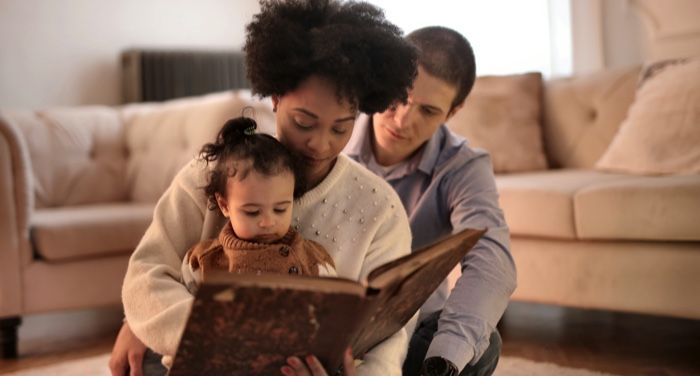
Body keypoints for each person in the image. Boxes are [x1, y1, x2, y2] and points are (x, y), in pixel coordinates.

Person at [108, 1, 418, 375]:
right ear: (275, 99)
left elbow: (388, 329)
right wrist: (211, 338)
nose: (320, 144)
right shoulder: (211, 175)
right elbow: (148, 273)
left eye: (341, 128)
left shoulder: (379, 207)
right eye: (304, 122)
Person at [344, 26, 516, 376]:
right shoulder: (333, 132)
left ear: (453, 112)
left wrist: (444, 359)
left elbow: (493, 261)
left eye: (428, 110)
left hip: (407, 331)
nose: (403, 119)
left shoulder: (462, 165)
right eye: (400, 96)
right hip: (329, 328)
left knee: (478, 345)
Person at [180, 116, 336, 296]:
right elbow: (190, 313)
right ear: (224, 205)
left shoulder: (314, 260)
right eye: (252, 212)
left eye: (280, 209)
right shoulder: (203, 262)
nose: (268, 222)